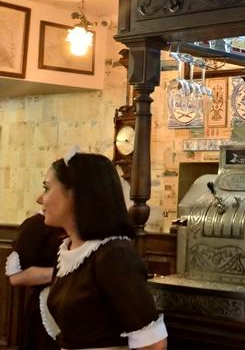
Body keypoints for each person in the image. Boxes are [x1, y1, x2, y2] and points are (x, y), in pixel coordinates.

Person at [41, 150, 167, 350]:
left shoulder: (114, 255)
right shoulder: (68, 250)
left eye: (46, 188)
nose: (40, 198)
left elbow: (154, 344)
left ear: (75, 193)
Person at [5, 193, 65, 350]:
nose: (39, 199)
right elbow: (16, 277)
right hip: (45, 307)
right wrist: (67, 272)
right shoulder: (36, 225)